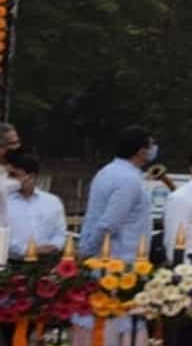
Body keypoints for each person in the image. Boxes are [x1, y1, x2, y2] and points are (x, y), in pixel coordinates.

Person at [73, 126, 158, 346]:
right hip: (120, 263)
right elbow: (109, 222)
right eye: (151, 145)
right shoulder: (127, 179)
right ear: (141, 151)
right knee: (115, 329)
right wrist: (87, 251)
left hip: (113, 261)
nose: (154, 150)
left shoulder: (108, 171)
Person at [6, 153, 67, 259]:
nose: (9, 180)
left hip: (47, 263)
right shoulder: (4, 202)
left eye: (14, 175)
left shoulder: (52, 201)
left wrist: (55, 246)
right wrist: (28, 250)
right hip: (12, 263)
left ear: (31, 177)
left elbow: (60, 233)